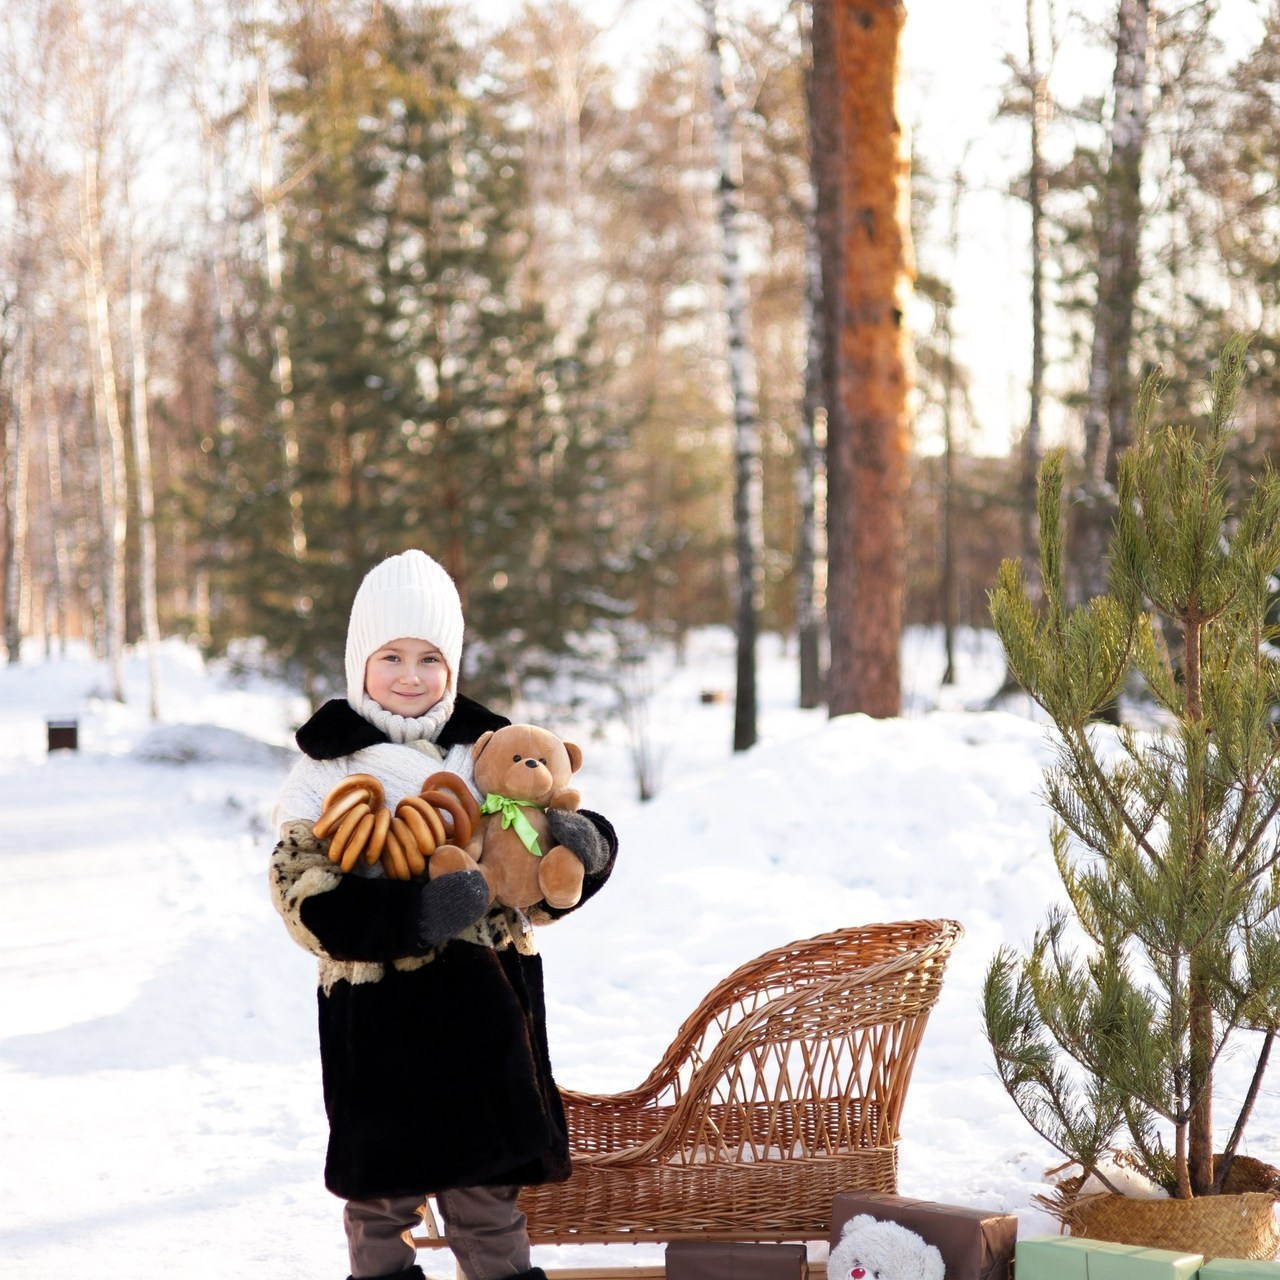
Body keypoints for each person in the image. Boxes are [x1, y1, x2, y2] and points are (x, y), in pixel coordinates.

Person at [269, 549, 617, 1280]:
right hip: (380, 1017)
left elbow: (529, 873)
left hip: (484, 1011)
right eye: (390, 655)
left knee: (487, 1200)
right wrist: (413, 913)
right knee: (380, 1202)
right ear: (358, 661)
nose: (409, 675)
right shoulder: (326, 772)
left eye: (429, 658)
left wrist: (586, 855)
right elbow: (301, 894)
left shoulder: (488, 755)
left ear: (452, 667)